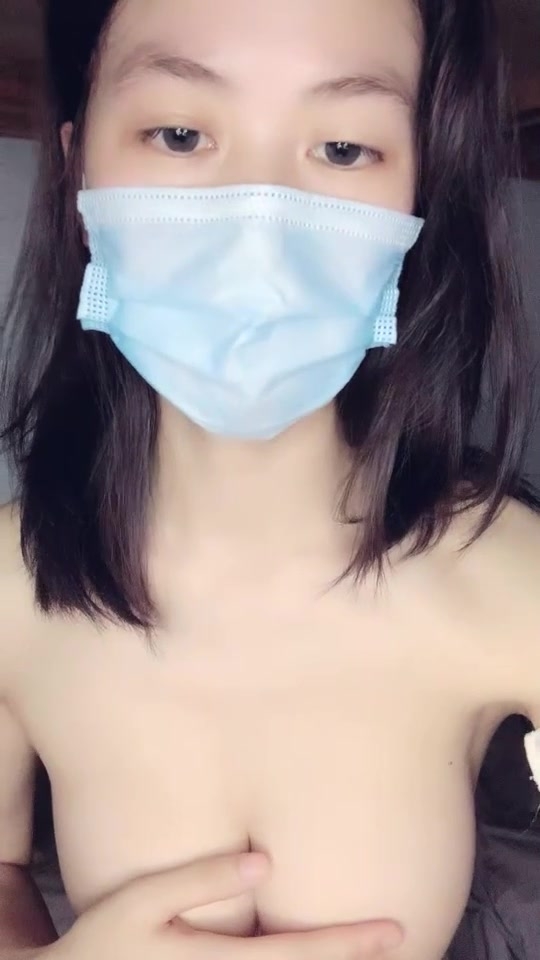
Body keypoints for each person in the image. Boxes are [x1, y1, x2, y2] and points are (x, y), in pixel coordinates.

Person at [1, 0, 540, 958]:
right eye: (179, 134)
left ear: (417, 198)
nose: (259, 218)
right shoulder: (11, 587)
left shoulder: (509, 580)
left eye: (343, 149)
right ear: (79, 169)